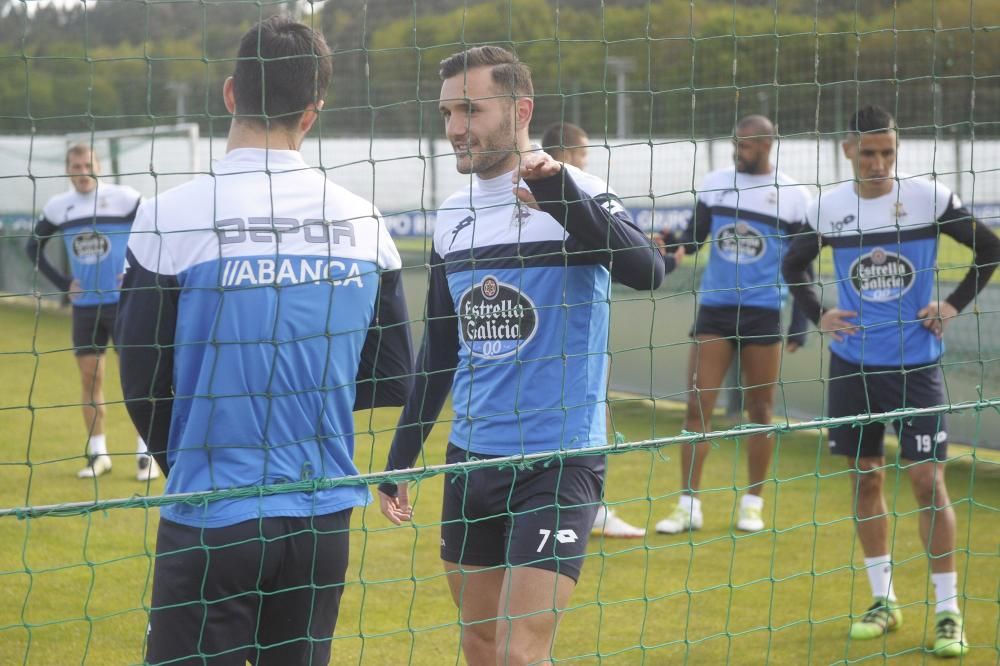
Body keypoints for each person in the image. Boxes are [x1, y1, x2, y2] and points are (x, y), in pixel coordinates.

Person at [116, 17, 413, 665]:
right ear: (313, 113)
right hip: (320, 520)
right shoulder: (365, 223)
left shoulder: (170, 215)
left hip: (212, 513)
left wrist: (196, 457)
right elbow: (393, 372)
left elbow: (140, 379)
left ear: (230, 94)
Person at [378, 46, 664, 666]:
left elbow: (649, 269)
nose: (456, 127)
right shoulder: (452, 218)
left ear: (520, 110)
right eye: (448, 111)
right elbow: (440, 350)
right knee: (480, 643)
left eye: (471, 109)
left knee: (519, 652)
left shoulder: (575, 187)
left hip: (558, 463)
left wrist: (558, 197)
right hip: (470, 462)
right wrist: (400, 459)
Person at [782, 105, 999, 658]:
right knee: (865, 480)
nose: (879, 162)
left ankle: (948, 612)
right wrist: (818, 313)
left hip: (916, 367)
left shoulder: (929, 198)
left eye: (888, 152)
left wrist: (951, 305)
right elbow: (792, 266)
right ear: (847, 151)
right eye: (869, 152)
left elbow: (991, 247)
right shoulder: (828, 207)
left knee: (928, 482)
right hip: (852, 368)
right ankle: (883, 600)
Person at [652, 115, 812, 535]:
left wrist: (799, 323)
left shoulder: (794, 196)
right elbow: (695, 236)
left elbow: (801, 265)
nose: (736, 150)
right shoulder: (715, 182)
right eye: (734, 142)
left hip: (763, 313)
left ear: (766, 145)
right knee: (696, 406)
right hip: (715, 311)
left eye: (745, 144)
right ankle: (688, 505)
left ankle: (753, 504)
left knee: (760, 411)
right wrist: (668, 244)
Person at [542, 120, 656, 540]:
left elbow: (640, 267)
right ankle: (586, 506)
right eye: (584, 151)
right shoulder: (583, 190)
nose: (586, 160)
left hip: (562, 340)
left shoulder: (582, 199)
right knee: (584, 410)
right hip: (567, 341)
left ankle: (587, 504)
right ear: (568, 153)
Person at [26, 144, 159, 481]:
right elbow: (32, 247)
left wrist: (135, 273)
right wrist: (62, 283)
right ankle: (99, 455)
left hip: (124, 305)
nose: (82, 171)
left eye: (87, 164)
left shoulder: (126, 198)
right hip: (85, 309)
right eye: (75, 165)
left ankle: (146, 455)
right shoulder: (59, 207)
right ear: (68, 169)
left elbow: (156, 231)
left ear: (98, 166)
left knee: (137, 380)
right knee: (91, 378)